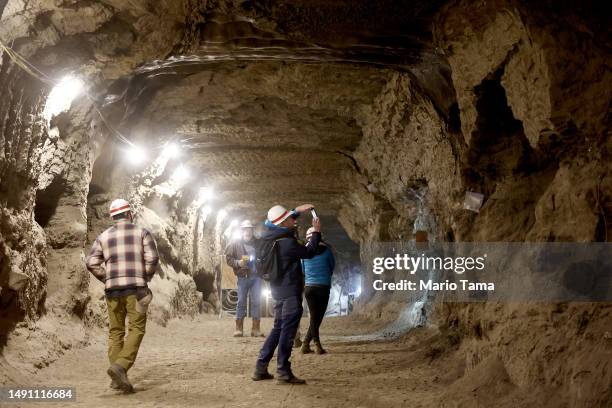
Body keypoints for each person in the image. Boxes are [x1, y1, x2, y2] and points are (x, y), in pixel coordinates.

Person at [85, 199, 159, 393]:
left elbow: (91, 262)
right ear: (129, 214)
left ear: (113, 217)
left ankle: (118, 379)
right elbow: (152, 258)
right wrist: (145, 278)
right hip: (136, 290)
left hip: (112, 291)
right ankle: (120, 366)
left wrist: (107, 278)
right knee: (136, 329)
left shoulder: (103, 236)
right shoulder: (142, 233)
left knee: (115, 331)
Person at [252, 204, 321, 385]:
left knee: (277, 329)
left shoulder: (269, 237)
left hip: (277, 291)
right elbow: (309, 251)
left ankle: (260, 368)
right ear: (282, 223)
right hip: (290, 292)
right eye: (291, 218)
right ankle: (283, 371)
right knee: (287, 333)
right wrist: (316, 233)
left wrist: (296, 210)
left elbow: (285, 221)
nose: (294, 221)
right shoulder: (287, 243)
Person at [225, 220, 265, 337]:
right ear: (242, 231)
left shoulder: (257, 243)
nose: (247, 231)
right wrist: (238, 263)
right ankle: (239, 328)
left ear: (252, 231)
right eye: (245, 229)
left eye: (249, 229)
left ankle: (255, 329)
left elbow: (264, 255)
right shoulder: (235, 243)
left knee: (256, 302)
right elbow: (228, 258)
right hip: (243, 277)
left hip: (256, 277)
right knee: (241, 301)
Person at [301, 227, 335, 355]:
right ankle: (317, 344)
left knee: (314, 317)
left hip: (309, 288)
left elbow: (303, 270)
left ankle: (305, 344)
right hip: (323, 287)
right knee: (317, 317)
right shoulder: (327, 251)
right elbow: (332, 266)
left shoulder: (304, 253)